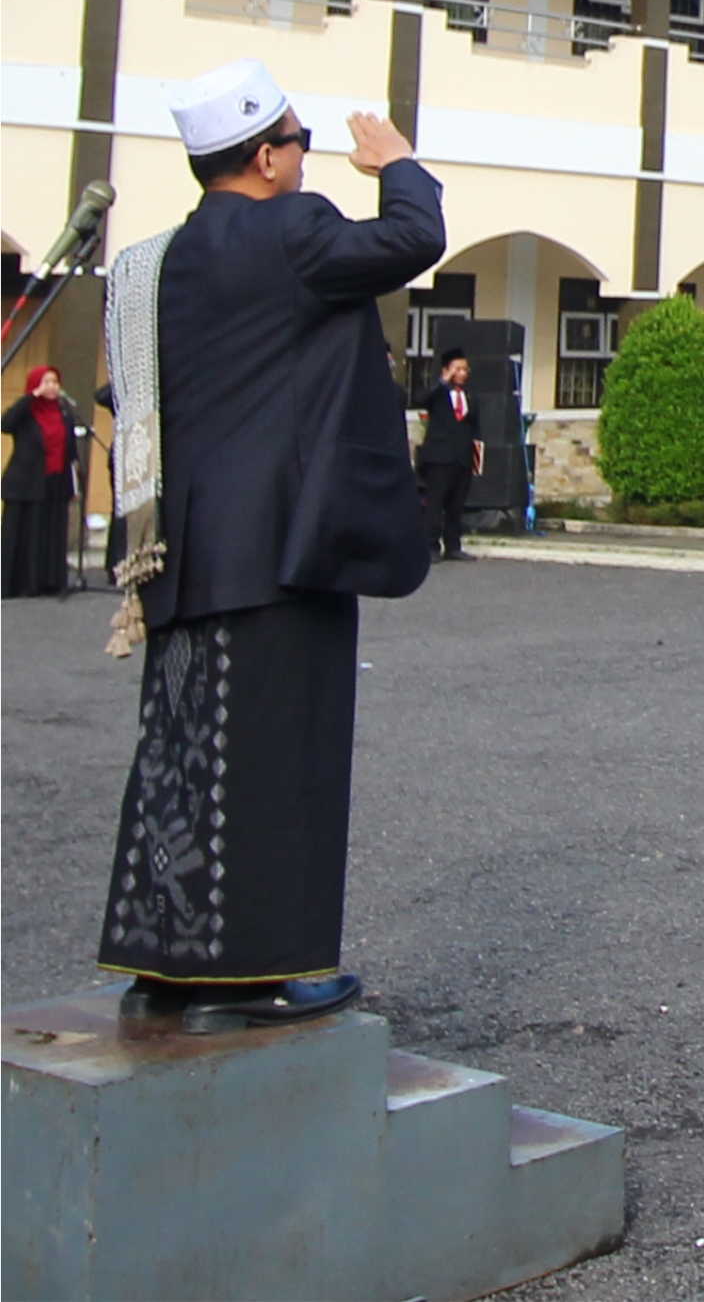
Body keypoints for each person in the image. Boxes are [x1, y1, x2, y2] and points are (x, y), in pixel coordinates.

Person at [97, 59, 441, 1031]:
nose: (305, 155)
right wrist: (399, 162)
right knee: (279, 760)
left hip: (183, 545)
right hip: (284, 543)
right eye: (297, 140)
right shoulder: (294, 229)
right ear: (264, 155)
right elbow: (414, 238)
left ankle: (162, 964)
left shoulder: (154, 262)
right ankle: (266, 970)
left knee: (182, 753)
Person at [3, 364, 83, 596]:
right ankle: (19, 584)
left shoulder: (64, 414)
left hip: (55, 482)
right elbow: (5, 424)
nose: (51, 387)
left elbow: (70, 450)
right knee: (25, 532)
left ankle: (49, 581)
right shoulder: (26, 412)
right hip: (26, 482)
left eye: (55, 382)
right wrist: (30, 398)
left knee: (51, 532)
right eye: (46, 382)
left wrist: (74, 480)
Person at [414, 350, 484, 562]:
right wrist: (442, 381)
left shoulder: (470, 397)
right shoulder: (437, 394)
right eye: (457, 369)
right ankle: (430, 546)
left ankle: (453, 545)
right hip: (439, 458)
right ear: (446, 370)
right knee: (435, 504)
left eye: (465, 369)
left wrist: (476, 458)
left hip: (462, 458)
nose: (462, 373)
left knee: (456, 506)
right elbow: (419, 399)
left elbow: (475, 429)